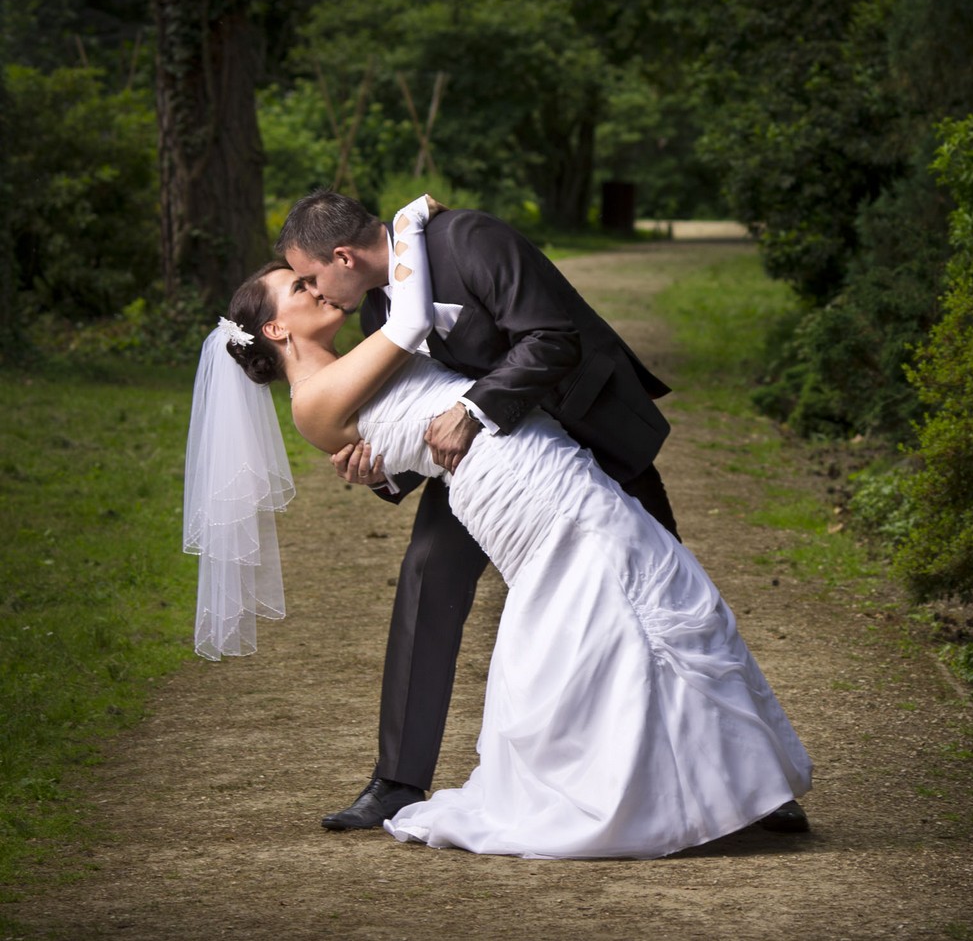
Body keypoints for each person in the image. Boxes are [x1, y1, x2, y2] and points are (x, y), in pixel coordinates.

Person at [183, 196, 813, 858]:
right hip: (486, 464)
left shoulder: (467, 242)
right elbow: (396, 403)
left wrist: (472, 408)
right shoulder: (375, 309)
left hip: (568, 418)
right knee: (430, 573)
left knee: (656, 588)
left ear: (341, 256)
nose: (314, 289)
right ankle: (399, 778)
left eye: (307, 275)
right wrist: (379, 471)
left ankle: (747, 781)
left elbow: (551, 337)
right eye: (300, 285)